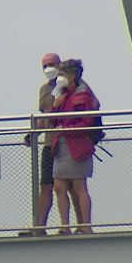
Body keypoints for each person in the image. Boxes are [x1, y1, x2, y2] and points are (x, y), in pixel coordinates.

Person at [19, 53, 82, 236]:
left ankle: (81, 225)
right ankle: (39, 226)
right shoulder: (45, 89)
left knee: (72, 186)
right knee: (46, 185)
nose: (48, 69)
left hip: (68, 142)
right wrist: (32, 134)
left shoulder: (74, 85)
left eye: (51, 64)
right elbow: (47, 111)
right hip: (50, 143)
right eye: (45, 66)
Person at [50, 59, 97, 235]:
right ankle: (65, 225)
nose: (59, 78)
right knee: (59, 186)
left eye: (62, 74)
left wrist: (67, 129)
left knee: (79, 186)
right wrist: (55, 105)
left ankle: (86, 225)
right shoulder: (63, 94)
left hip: (77, 146)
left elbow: (87, 122)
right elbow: (53, 121)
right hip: (61, 145)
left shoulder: (82, 95)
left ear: (71, 75)